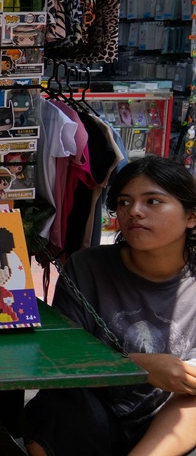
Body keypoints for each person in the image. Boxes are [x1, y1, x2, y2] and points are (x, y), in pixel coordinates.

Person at [23, 155, 196, 456]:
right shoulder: (87, 267)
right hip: (90, 421)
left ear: (191, 216)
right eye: (124, 202)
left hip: (167, 432)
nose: (134, 212)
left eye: (153, 201)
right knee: (58, 405)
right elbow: (60, 359)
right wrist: (138, 365)